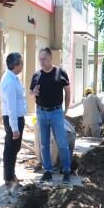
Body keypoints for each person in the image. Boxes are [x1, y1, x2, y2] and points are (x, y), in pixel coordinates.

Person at [29, 47, 73, 182]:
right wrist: (33, 93)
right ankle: (47, 171)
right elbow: (31, 94)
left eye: (44, 59)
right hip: (41, 112)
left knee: (62, 143)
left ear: (50, 58)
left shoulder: (60, 73)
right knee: (44, 143)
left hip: (56, 112)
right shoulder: (36, 75)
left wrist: (65, 109)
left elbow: (68, 91)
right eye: (40, 59)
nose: (42, 62)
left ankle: (66, 170)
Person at [0, 52, 27, 189]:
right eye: (21, 62)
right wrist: (14, 128)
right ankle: (8, 176)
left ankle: (11, 174)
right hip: (12, 118)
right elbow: (11, 107)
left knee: (14, 148)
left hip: (15, 118)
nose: (22, 65)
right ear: (15, 65)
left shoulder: (13, 78)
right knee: (11, 148)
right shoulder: (9, 82)